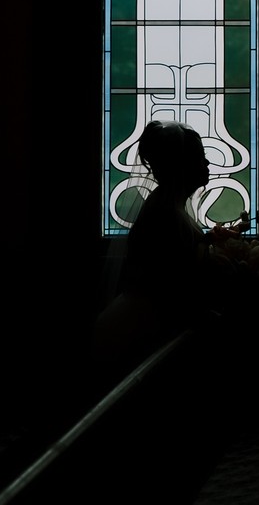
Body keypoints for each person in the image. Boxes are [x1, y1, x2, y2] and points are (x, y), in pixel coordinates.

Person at [93, 119, 213, 375]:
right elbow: (170, 286)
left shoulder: (171, 206)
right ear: (181, 165)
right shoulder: (165, 216)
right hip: (147, 325)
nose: (207, 163)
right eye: (199, 157)